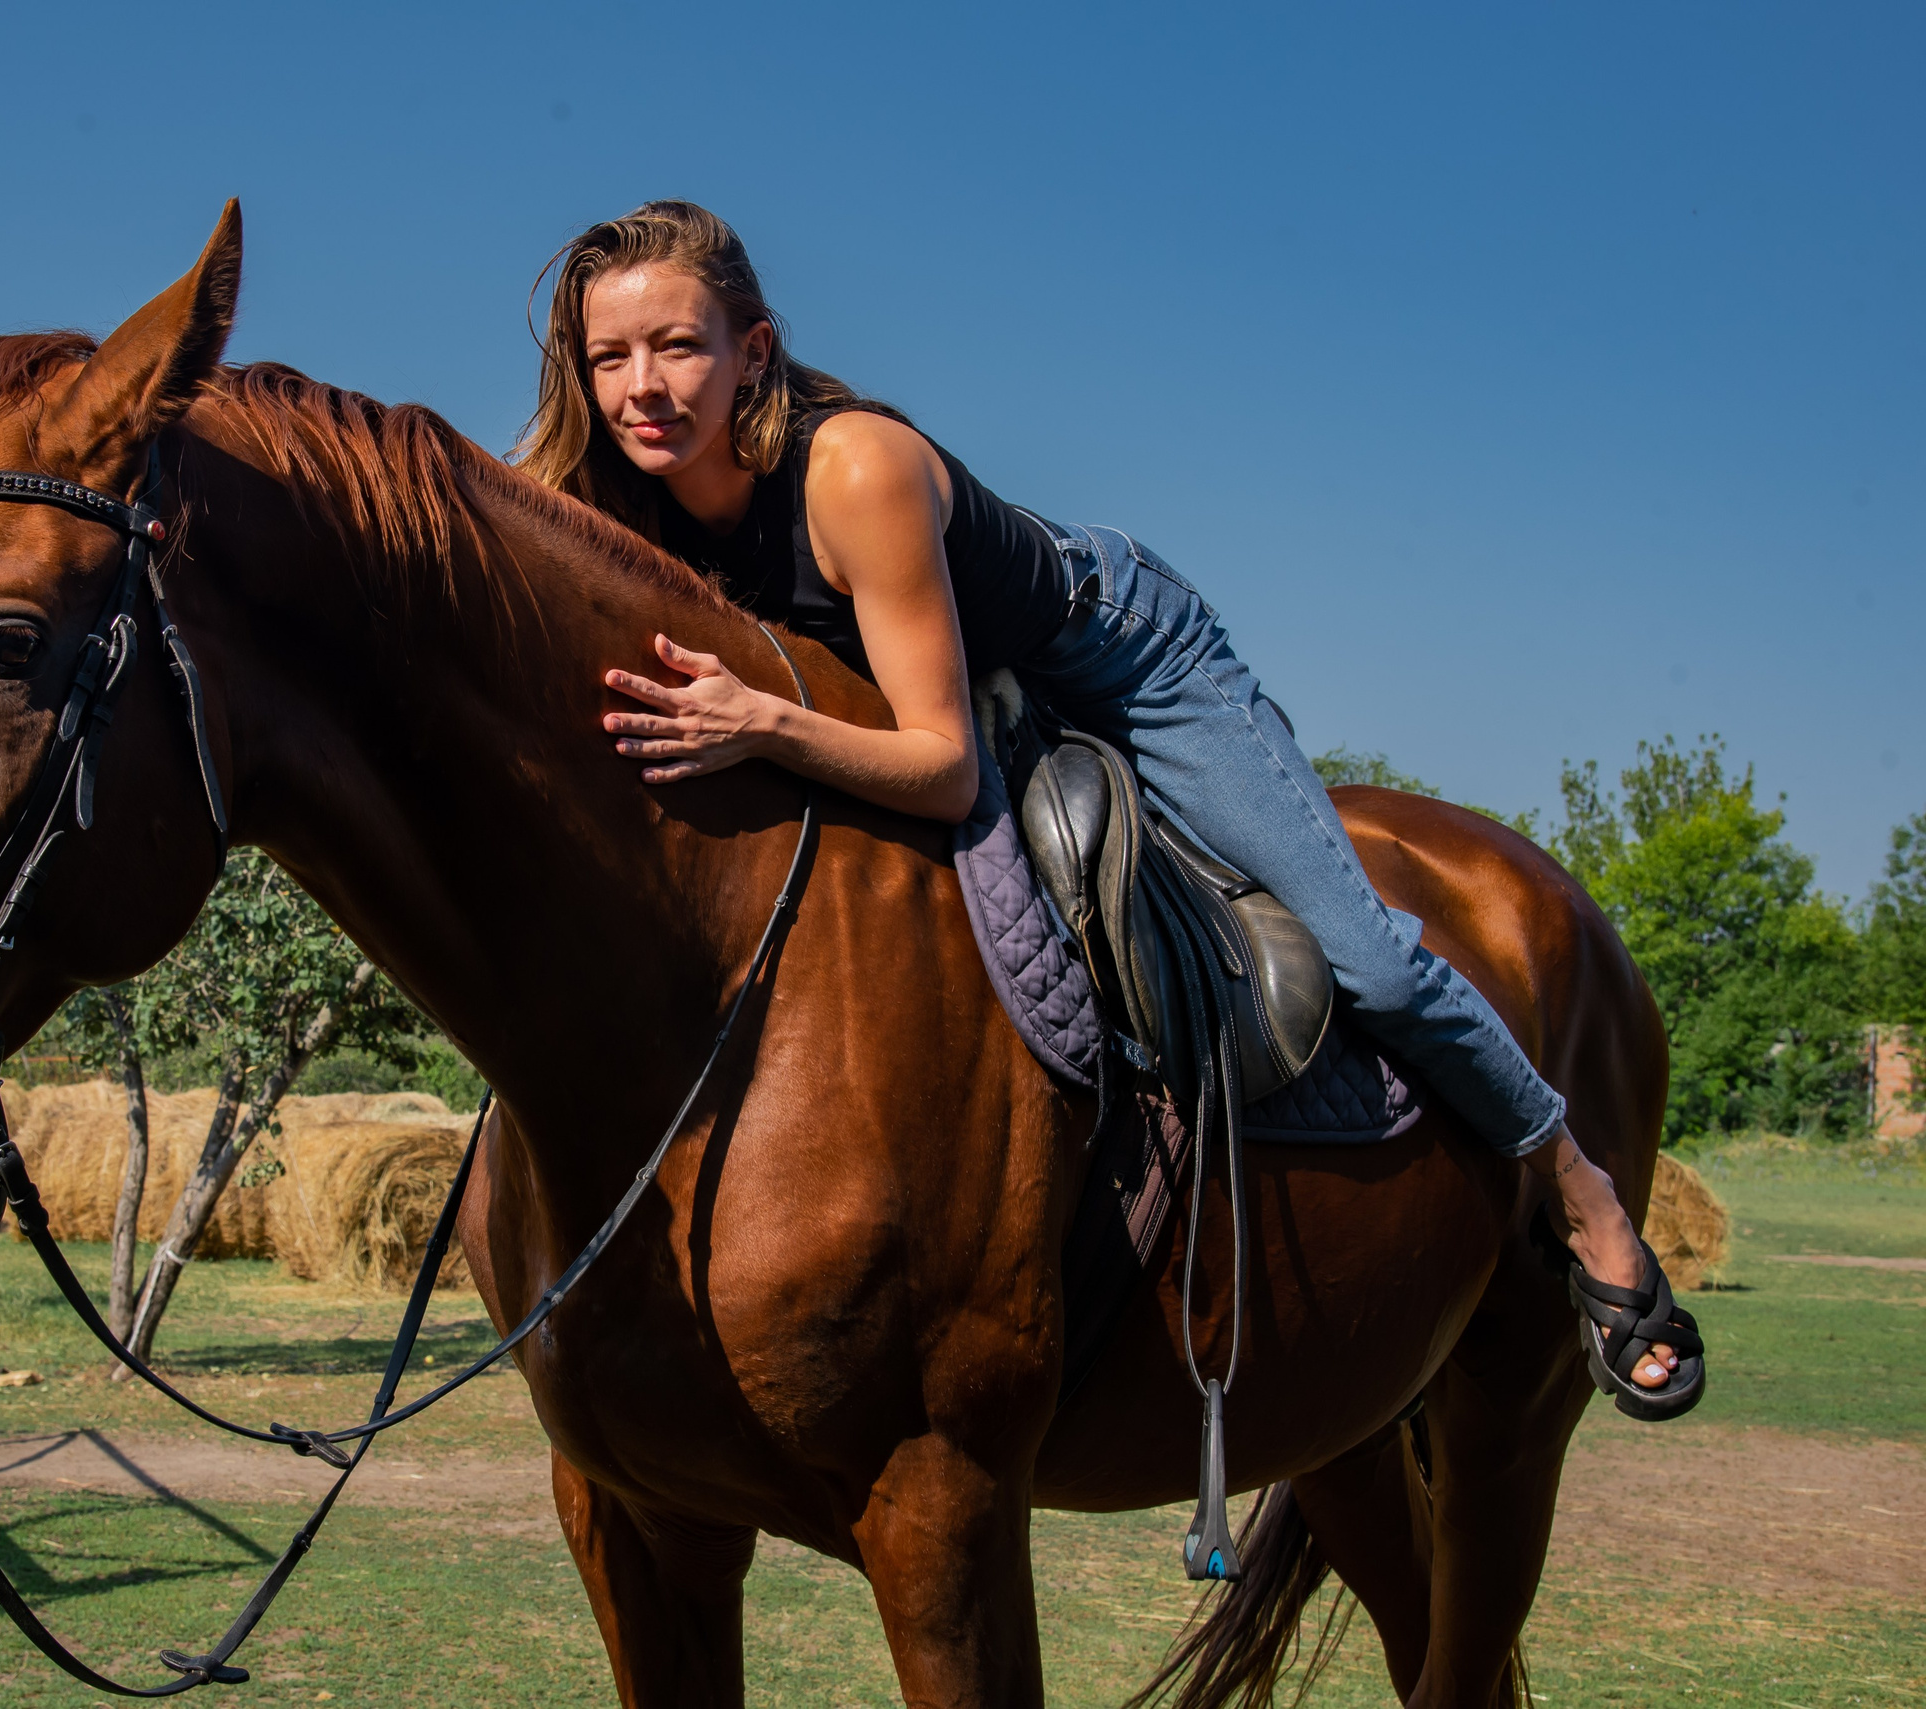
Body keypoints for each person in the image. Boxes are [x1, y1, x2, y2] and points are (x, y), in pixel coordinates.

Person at [515, 200, 1700, 1417]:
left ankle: (1577, 1186)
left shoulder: (852, 467)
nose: (642, 387)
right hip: (977, 687)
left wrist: (761, 723)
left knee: (1373, 962)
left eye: (679, 346)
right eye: (610, 356)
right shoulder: (616, 494)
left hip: (1122, 662)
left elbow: (942, 766)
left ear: (753, 351)